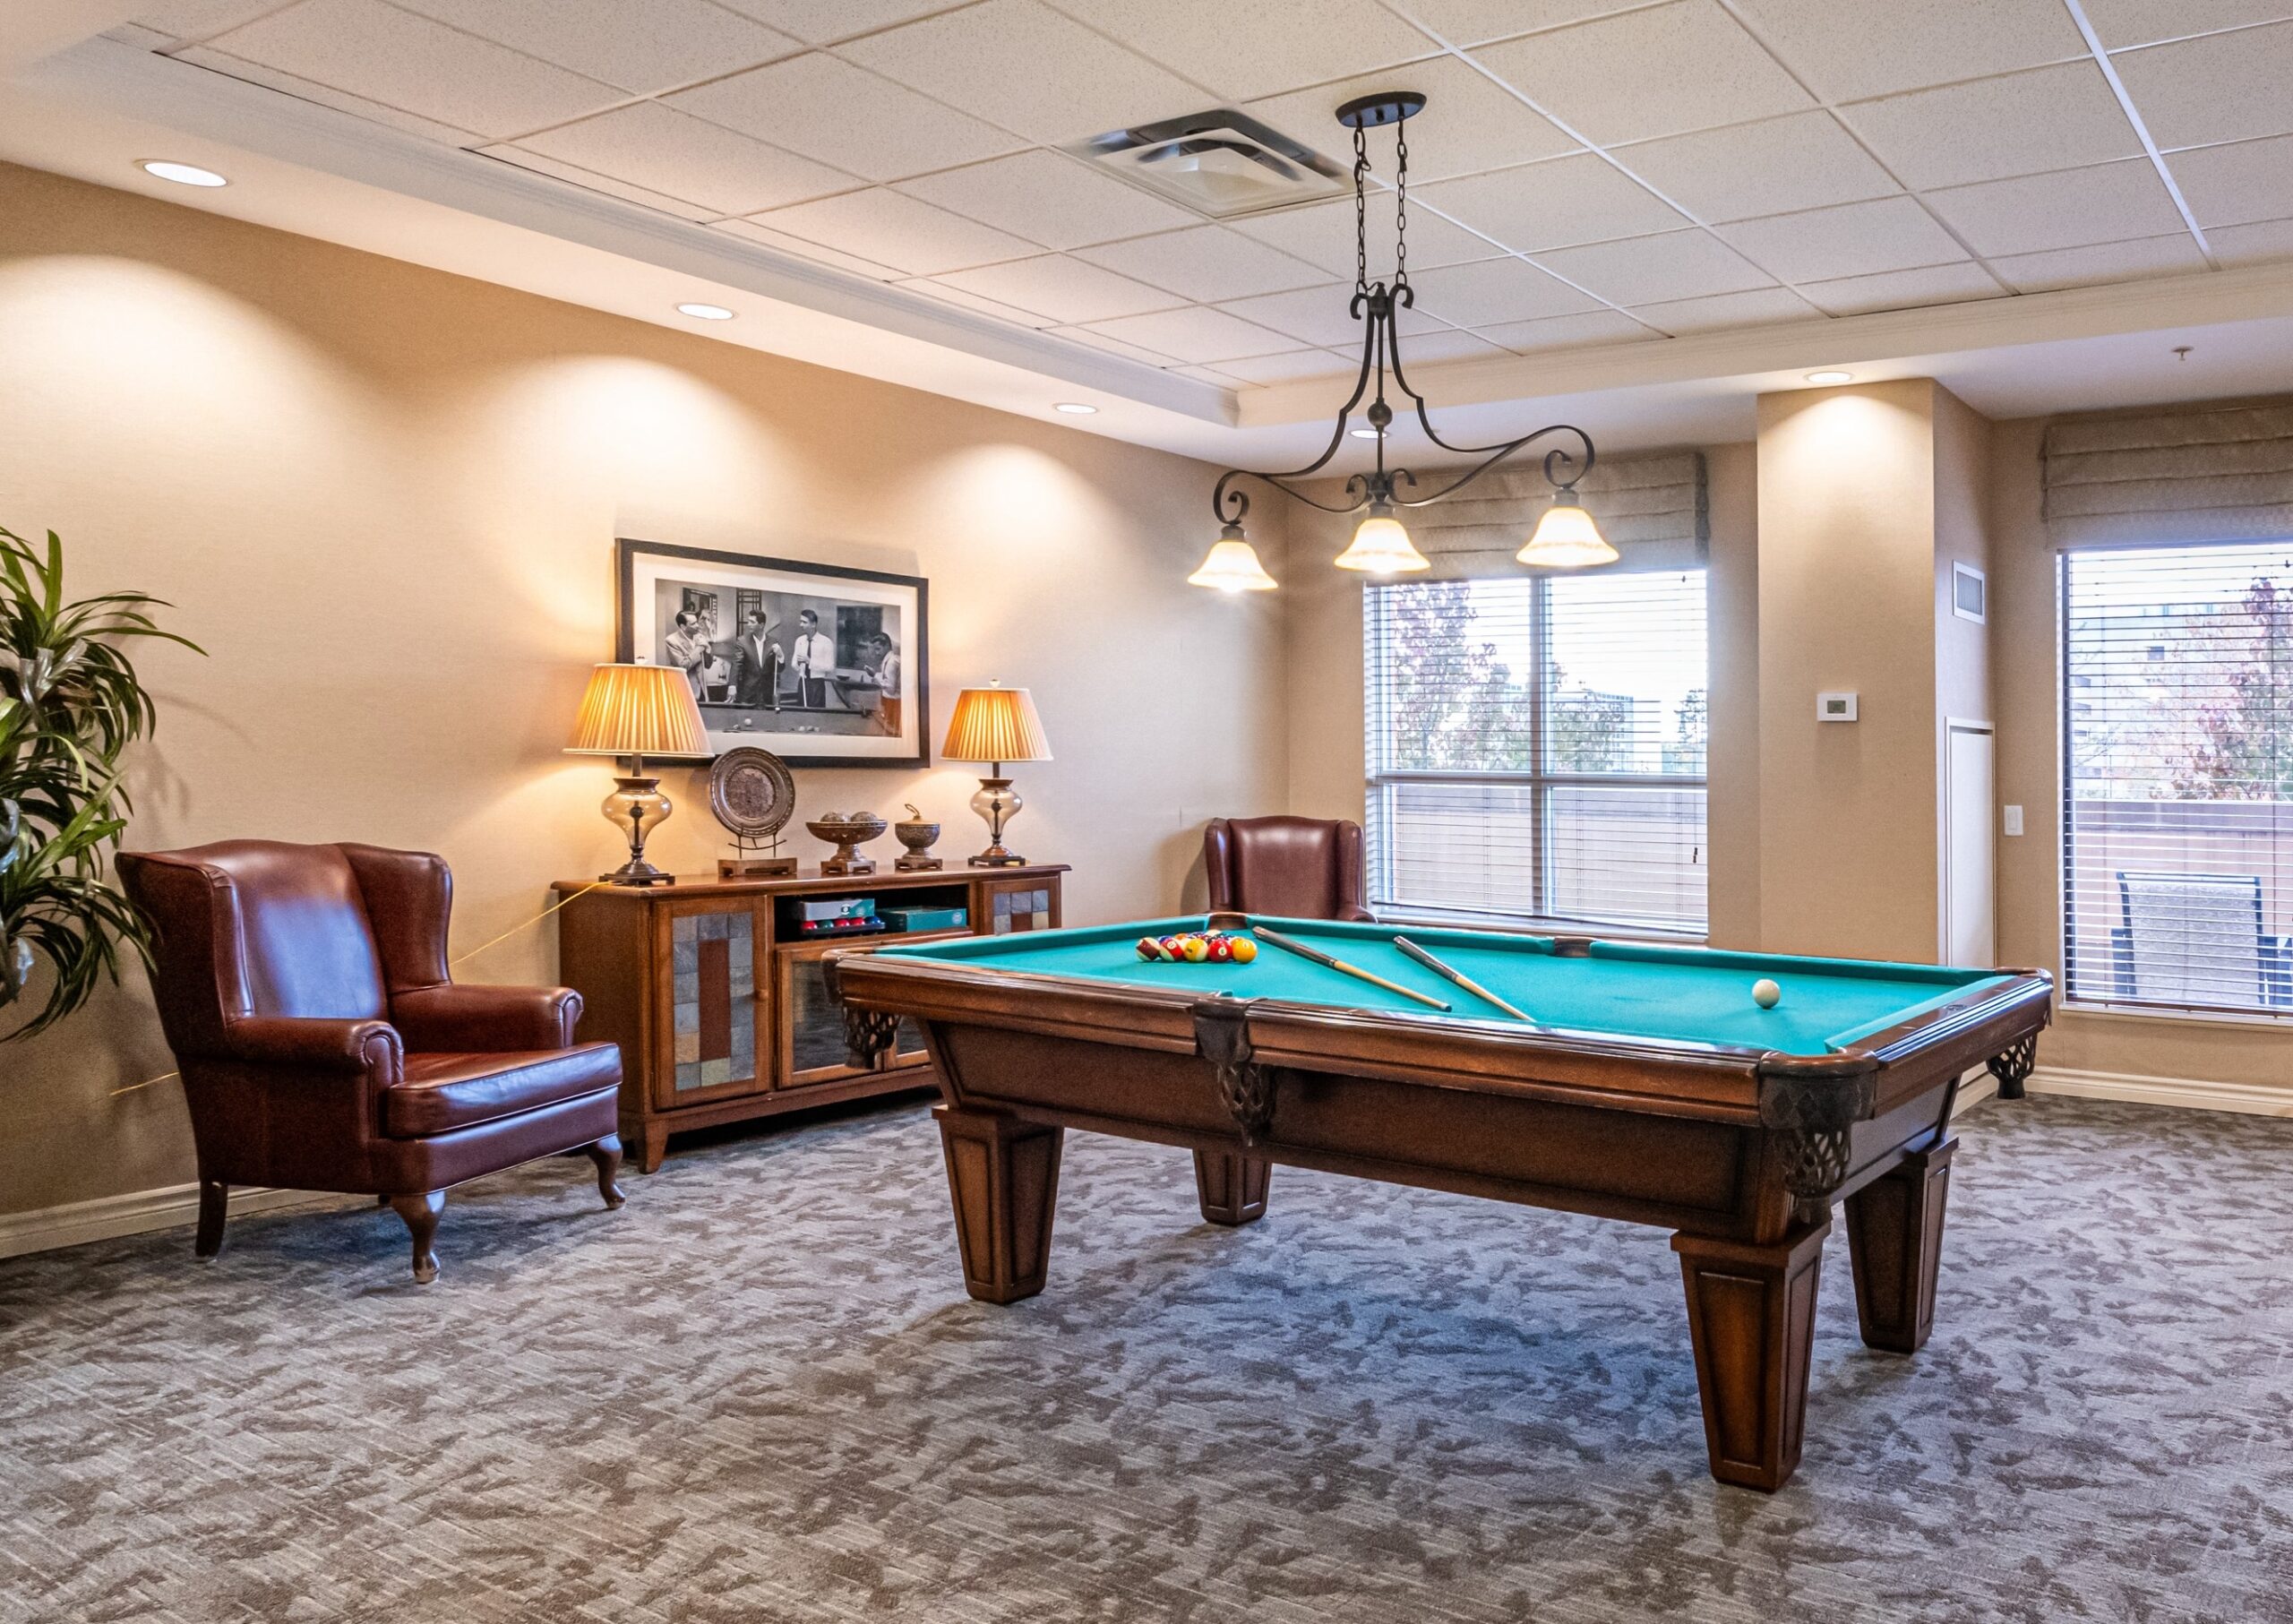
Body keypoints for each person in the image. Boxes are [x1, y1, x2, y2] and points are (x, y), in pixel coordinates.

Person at [731, 609, 780, 709]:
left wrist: (781, 656)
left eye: (752, 622)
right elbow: (736, 664)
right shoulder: (742, 641)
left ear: (761, 625)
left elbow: (778, 669)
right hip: (747, 695)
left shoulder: (773, 642)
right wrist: (732, 685)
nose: (748, 624)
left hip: (766, 696)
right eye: (748, 621)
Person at [788, 609, 834, 710]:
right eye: (800, 621)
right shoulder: (799, 641)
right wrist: (798, 664)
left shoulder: (826, 642)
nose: (801, 625)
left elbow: (830, 667)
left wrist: (810, 661)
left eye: (804, 622)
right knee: (801, 712)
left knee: (816, 714)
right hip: (802, 682)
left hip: (817, 684)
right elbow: (794, 664)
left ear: (813, 624)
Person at [663, 610, 707, 695]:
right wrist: (698, 649)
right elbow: (682, 667)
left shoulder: (700, 636)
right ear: (683, 627)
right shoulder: (672, 641)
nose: (697, 626)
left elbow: (708, 665)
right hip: (684, 690)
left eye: (697, 622)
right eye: (693, 624)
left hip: (702, 690)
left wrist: (708, 649)